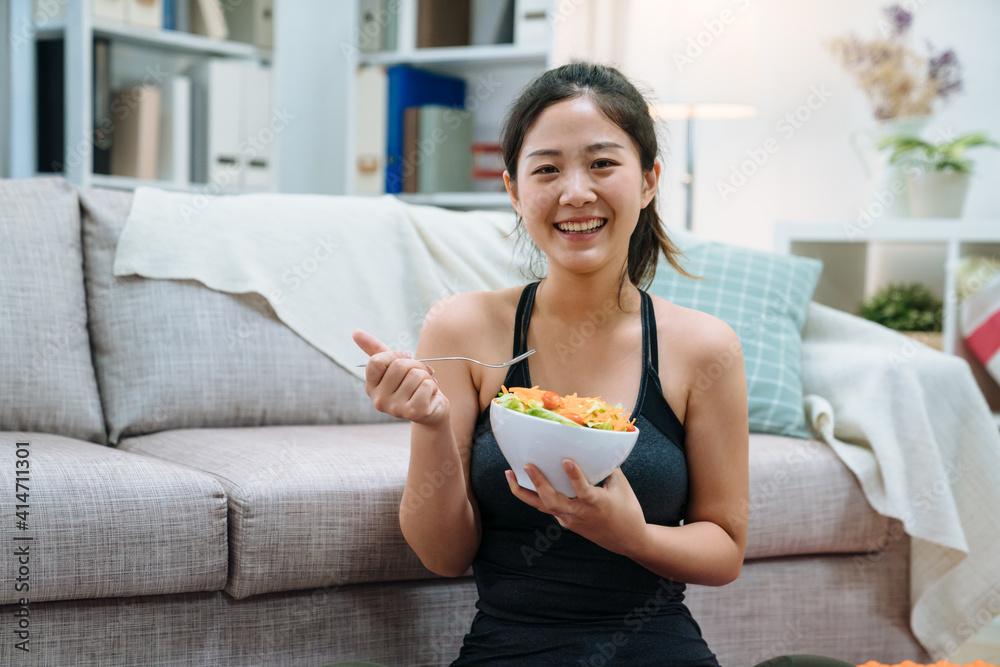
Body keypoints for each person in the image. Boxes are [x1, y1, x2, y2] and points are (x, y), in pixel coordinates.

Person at [353, 62, 749, 666]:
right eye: (547, 169)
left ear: (648, 181)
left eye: (602, 163)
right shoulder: (463, 327)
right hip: (506, 647)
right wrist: (430, 425)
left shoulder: (704, 347)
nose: (575, 193)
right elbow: (444, 555)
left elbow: (724, 550)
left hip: (657, 646)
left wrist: (631, 536)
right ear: (514, 190)